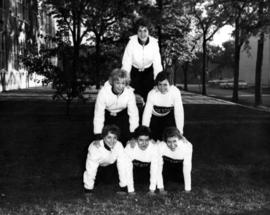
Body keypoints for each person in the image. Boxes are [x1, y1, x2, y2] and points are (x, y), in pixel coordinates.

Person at [121, 17, 163, 103]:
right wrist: (125, 79)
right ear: (137, 32)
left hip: (149, 73)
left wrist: (158, 81)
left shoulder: (154, 43)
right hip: (134, 73)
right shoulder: (132, 42)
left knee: (150, 98)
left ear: (149, 31)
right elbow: (126, 62)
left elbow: (157, 64)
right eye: (140, 31)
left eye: (145, 31)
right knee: (132, 98)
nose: (142, 34)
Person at [93, 68, 139, 144]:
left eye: (123, 83)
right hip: (107, 115)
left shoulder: (129, 93)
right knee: (104, 141)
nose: (120, 86)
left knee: (124, 141)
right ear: (112, 82)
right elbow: (99, 114)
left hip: (122, 115)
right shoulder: (103, 93)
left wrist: (133, 135)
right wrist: (98, 135)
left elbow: (133, 114)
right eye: (118, 83)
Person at [83, 125, 131, 194]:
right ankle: (88, 188)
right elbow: (91, 169)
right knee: (93, 178)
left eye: (115, 138)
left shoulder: (119, 146)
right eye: (109, 137)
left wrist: (123, 188)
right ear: (103, 137)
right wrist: (88, 190)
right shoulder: (95, 148)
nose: (112, 141)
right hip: (95, 163)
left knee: (108, 181)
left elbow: (122, 166)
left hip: (109, 164)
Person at [142, 71, 184, 140]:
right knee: (153, 139)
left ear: (170, 84)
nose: (162, 88)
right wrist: (144, 132)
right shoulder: (152, 93)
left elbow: (179, 113)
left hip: (167, 116)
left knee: (170, 137)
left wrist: (180, 132)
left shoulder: (175, 92)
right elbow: (147, 114)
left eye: (165, 85)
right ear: (156, 84)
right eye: (160, 84)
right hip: (154, 117)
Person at [124, 126, 165, 195]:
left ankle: (161, 187)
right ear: (136, 140)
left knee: (159, 162)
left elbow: (155, 169)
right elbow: (127, 169)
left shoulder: (154, 148)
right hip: (136, 168)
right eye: (141, 140)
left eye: (146, 140)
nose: (144, 143)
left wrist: (152, 190)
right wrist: (131, 190)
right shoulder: (130, 148)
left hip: (148, 168)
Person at [158, 127, 193, 192]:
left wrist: (187, 189)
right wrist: (161, 188)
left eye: (174, 141)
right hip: (167, 167)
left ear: (179, 139)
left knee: (179, 181)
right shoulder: (161, 146)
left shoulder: (187, 147)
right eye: (169, 142)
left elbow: (187, 168)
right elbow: (158, 167)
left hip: (179, 168)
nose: (172, 145)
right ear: (165, 141)